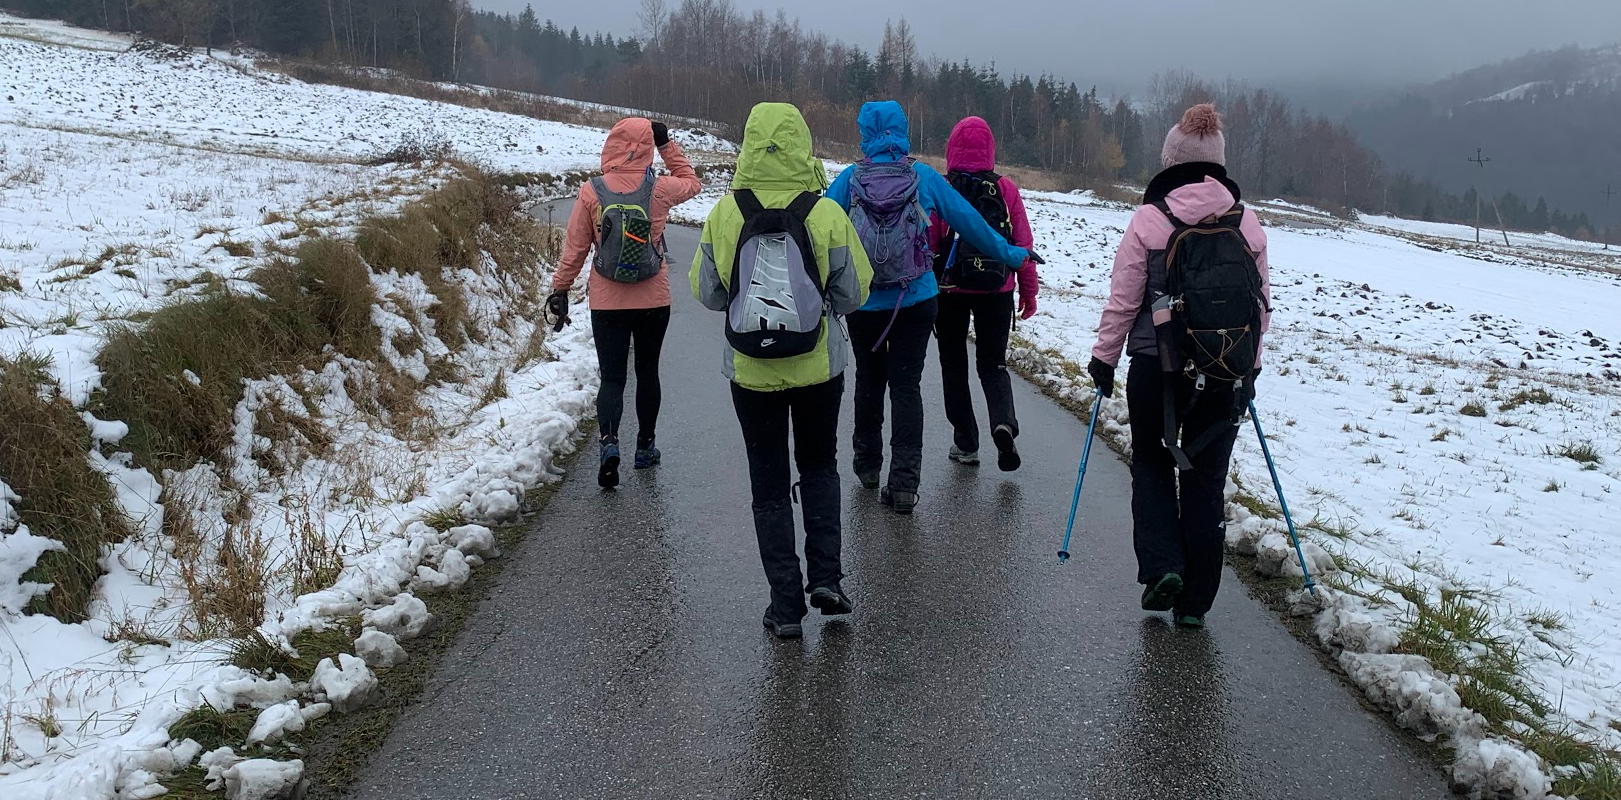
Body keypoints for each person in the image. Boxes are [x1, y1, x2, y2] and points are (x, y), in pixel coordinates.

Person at [691, 102, 873, 639]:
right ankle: (828, 580)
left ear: (749, 144)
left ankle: (785, 605)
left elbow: (706, 292)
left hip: (752, 374)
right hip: (818, 368)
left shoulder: (726, 212)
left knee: (767, 485)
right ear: (801, 143)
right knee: (819, 466)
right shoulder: (825, 213)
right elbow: (854, 291)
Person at [1087, 104, 1271, 628]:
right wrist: (1249, 371)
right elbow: (1259, 308)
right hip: (1224, 374)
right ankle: (1196, 602)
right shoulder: (1247, 223)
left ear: (1170, 163)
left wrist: (1104, 358)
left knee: (1151, 463)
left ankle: (1162, 568)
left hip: (1155, 367)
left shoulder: (1150, 220)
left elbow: (1123, 301)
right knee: (1206, 479)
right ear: (1219, 164)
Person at [824, 101, 1032, 514]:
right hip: (916, 300)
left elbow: (820, 228)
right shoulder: (923, 177)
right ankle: (904, 485)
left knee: (869, 380)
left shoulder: (849, 179)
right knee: (906, 387)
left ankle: (867, 465)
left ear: (865, 133)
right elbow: (972, 223)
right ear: (903, 132)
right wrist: (1012, 255)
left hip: (864, 302)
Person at [550, 117, 701, 489]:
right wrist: (667, 146)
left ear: (613, 144)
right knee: (648, 372)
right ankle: (645, 448)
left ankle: (608, 444)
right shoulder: (659, 188)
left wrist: (560, 288)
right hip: (653, 296)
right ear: (647, 145)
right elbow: (694, 183)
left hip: (607, 300)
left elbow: (576, 247)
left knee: (613, 378)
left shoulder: (592, 191)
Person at [929, 116, 1040, 473]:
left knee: (954, 365)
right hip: (997, 288)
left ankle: (966, 442)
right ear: (990, 148)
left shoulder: (943, 188)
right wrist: (1029, 291)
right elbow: (1022, 244)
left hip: (949, 289)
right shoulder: (1006, 189)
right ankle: (1003, 424)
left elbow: (930, 242)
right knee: (993, 365)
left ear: (951, 148)